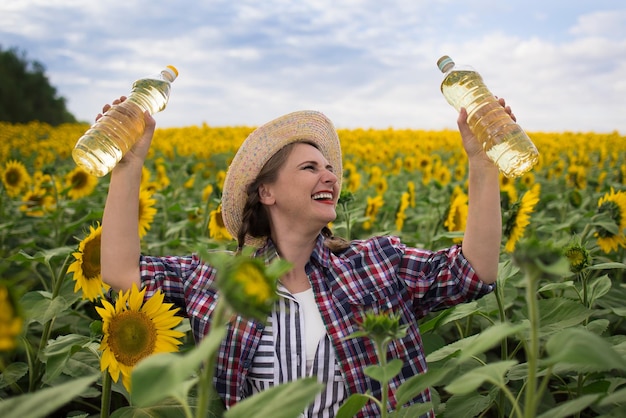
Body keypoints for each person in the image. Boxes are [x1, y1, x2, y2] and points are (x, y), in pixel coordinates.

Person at [100, 96, 507, 417]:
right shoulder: (215, 278)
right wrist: (128, 164)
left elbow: (473, 272)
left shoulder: (376, 263)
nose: (330, 175)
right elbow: (120, 270)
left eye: (330, 168)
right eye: (310, 167)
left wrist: (483, 162)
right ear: (267, 192)